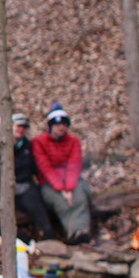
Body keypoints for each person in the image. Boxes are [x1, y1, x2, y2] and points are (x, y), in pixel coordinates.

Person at [0, 113, 56, 246]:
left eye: (23, 127)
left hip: (24, 188)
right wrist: (5, 186)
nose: (20, 130)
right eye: (18, 126)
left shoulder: (29, 147)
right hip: (2, 188)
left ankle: (47, 233)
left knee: (35, 202)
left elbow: (32, 169)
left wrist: (21, 185)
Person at [33, 102, 93, 245]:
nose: (61, 128)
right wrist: (61, 189)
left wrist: (69, 187)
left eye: (64, 125)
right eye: (58, 125)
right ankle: (73, 233)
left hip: (71, 181)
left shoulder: (73, 141)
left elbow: (74, 164)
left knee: (80, 199)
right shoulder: (39, 142)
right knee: (62, 203)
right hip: (49, 183)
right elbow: (45, 167)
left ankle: (83, 232)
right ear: (51, 126)